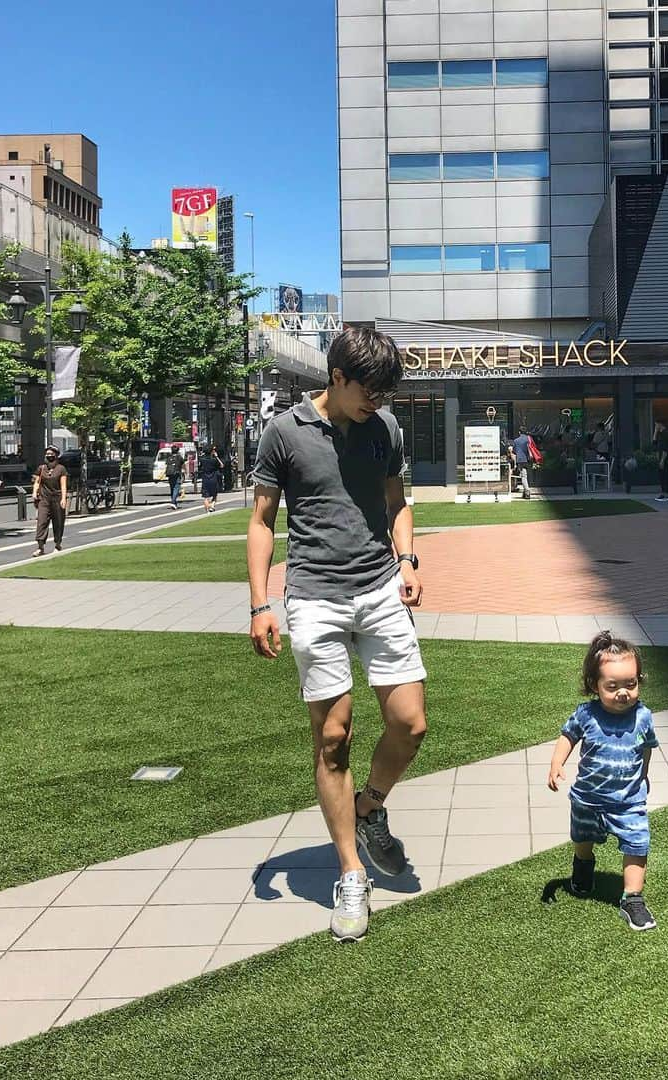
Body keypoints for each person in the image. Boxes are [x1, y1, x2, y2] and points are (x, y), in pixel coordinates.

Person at [247, 326, 428, 943]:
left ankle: (370, 805)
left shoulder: (385, 429)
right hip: (316, 595)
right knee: (333, 735)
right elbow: (263, 521)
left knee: (410, 723)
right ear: (337, 377)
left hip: (379, 586)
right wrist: (259, 603)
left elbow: (397, 501)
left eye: (386, 391)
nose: (377, 401)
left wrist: (407, 562)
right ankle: (352, 873)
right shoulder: (284, 432)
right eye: (369, 390)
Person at [547, 631, 659, 931]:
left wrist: (644, 776)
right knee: (583, 839)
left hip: (628, 800)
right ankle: (583, 868)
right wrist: (557, 763)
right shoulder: (586, 714)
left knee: (637, 843)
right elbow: (567, 736)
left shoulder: (643, 716)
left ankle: (632, 899)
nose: (623, 692)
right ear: (594, 685)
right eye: (612, 686)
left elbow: (646, 748)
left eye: (630, 684)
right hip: (588, 799)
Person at [31, 444, 68, 556]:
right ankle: (40, 547)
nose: (49, 456)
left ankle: (57, 544)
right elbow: (37, 482)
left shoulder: (61, 469)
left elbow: (63, 485)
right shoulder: (42, 468)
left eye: (51, 454)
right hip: (44, 499)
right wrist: (34, 492)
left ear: (56, 456)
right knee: (41, 522)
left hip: (57, 498)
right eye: (47, 454)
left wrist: (63, 498)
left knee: (58, 523)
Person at [653, 422, 668, 503]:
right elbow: (654, 443)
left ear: (660, 424)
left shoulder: (666, 434)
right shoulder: (660, 434)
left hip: (665, 458)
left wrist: (662, 460)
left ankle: (666, 494)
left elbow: (666, 448)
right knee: (661, 476)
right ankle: (663, 493)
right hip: (660, 457)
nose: (655, 426)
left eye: (656, 425)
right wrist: (655, 432)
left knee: (665, 475)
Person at [199, 444, 224, 512]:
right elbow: (221, 465)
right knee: (214, 495)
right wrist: (216, 456)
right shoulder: (214, 460)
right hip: (213, 479)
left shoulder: (202, 460)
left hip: (205, 479)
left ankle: (207, 509)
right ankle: (212, 506)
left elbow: (200, 468)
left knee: (206, 497)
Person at [511, 426, 532, 500]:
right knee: (526, 475)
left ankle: (527, 491)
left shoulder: (516, 441)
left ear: (519, 432)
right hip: (528, 459)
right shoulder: (528, 439)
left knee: (523, 476)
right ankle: (525, 491)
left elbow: (514, 452)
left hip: (520, 460)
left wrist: (515, 463)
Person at [165, 444, 184, 509]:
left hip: (170, 474)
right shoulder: (179, 457)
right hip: (176, 474)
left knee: (172, 488)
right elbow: (182, 464)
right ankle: (173, 502)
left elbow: (166, 464)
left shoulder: (169, 457)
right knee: (176, 488)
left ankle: (174, 504)